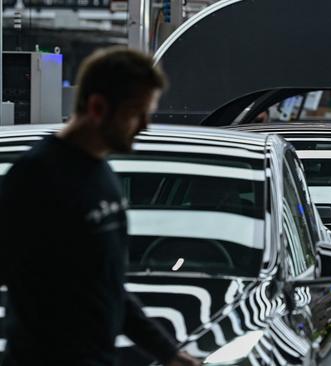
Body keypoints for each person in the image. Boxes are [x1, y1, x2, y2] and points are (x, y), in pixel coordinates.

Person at [0, 47, 200, 366]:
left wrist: (168, 353)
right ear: (97, 107)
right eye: (137, 113)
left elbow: (107, 287)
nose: (145, 125)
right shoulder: (34, 177)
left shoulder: (102, 174)